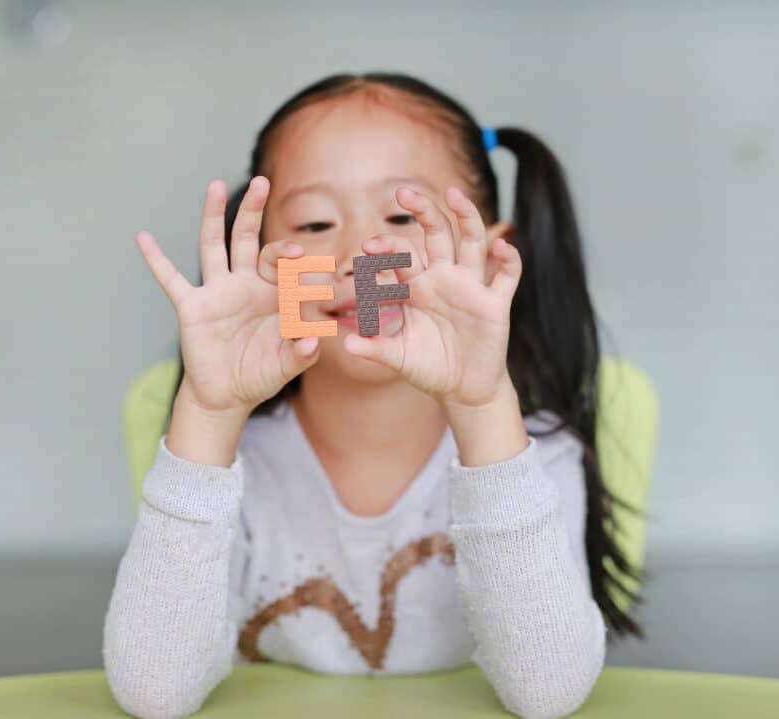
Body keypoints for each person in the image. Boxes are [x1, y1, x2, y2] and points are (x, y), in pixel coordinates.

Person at [103, 72, 641, 719]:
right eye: (315, 220)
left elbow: (548, 693)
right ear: (258, 261)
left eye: (400, 216)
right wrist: (209, 415)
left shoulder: (537, 453)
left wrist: (481, 405)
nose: (360, 253)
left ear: (493, 260)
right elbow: (153, 693)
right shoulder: (235, 463)